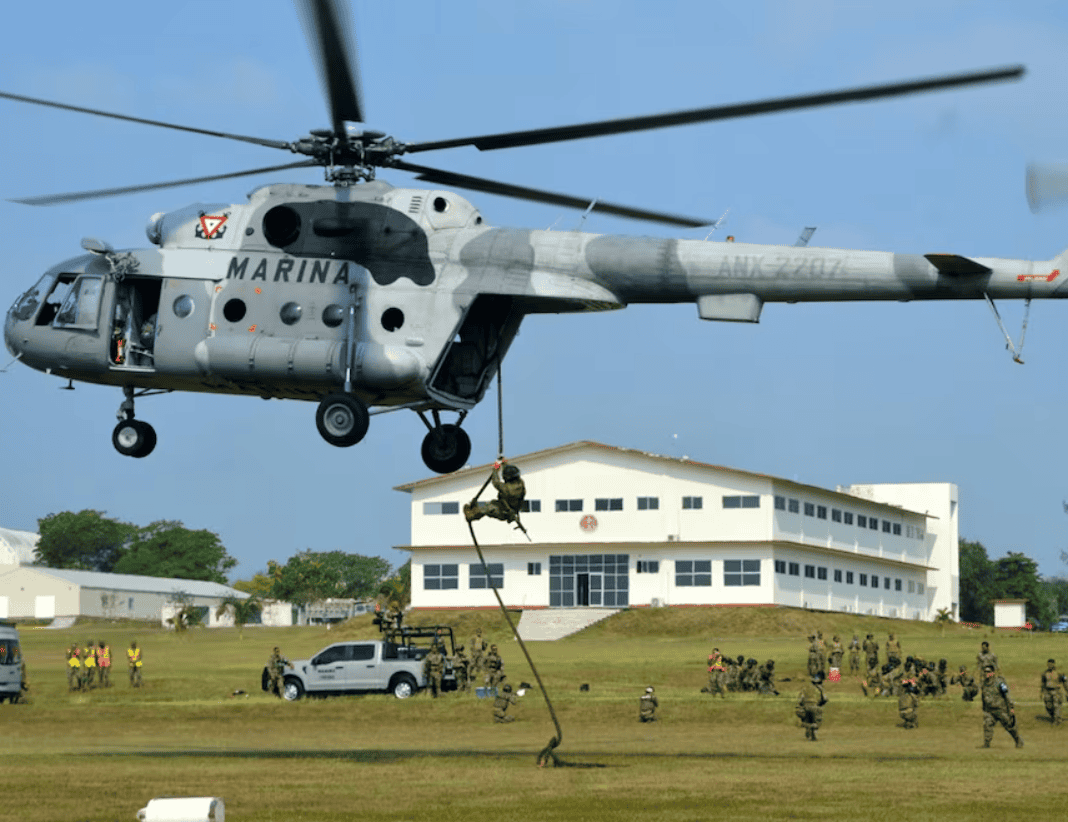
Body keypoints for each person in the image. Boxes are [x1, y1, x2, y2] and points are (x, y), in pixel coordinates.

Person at [980, 662, 1022, 748]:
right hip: (990, 711)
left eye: (988, 671)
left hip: (1001, 709)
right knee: (987, 725)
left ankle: (1018, 740)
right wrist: (984, 708)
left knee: (1009, 726)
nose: (986, 674)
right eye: (985, 672)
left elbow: (1007, 696)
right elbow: (983, 697)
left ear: (993, 673)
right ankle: (986, 744)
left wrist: (1011, 708)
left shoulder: (1000, 683)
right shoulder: (984, 684)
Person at [796, 672, 827, 741]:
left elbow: (800, 699)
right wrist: (819, 704)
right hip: (815, 707)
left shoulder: (805, 688)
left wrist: (801, 706)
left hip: (805, 707)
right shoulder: (820, 688)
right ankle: (813, 731)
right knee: (817, 722)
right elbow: (825, 699)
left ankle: (808, 730)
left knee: (808, 720)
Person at [1040, 659, 1067, 725]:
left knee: (1056, 706)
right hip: (1047, 692)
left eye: (1051, 664)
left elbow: (1065, 682)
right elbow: (1043, 684)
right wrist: (1041, 693)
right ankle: (1054, 717)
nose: (1050, 665)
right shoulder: (1044, 673)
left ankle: (1057, 720)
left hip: (1056, 691)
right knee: (1048, 706)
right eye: (1048, 664)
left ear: (1054, 664)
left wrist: (1067, 691)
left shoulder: (1059, 673)